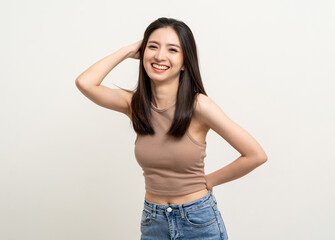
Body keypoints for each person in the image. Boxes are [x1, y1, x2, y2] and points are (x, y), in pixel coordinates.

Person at [75, 17, 267, 240]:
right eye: (152, 46)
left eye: (173, 50)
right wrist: (127, 50)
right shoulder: (135, 105)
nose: (160, 56)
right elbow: (85, 83)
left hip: (198, 219)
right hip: (153, 220)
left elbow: (255, 155)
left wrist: (210, 180)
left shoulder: (199, 106)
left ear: (185, 62)